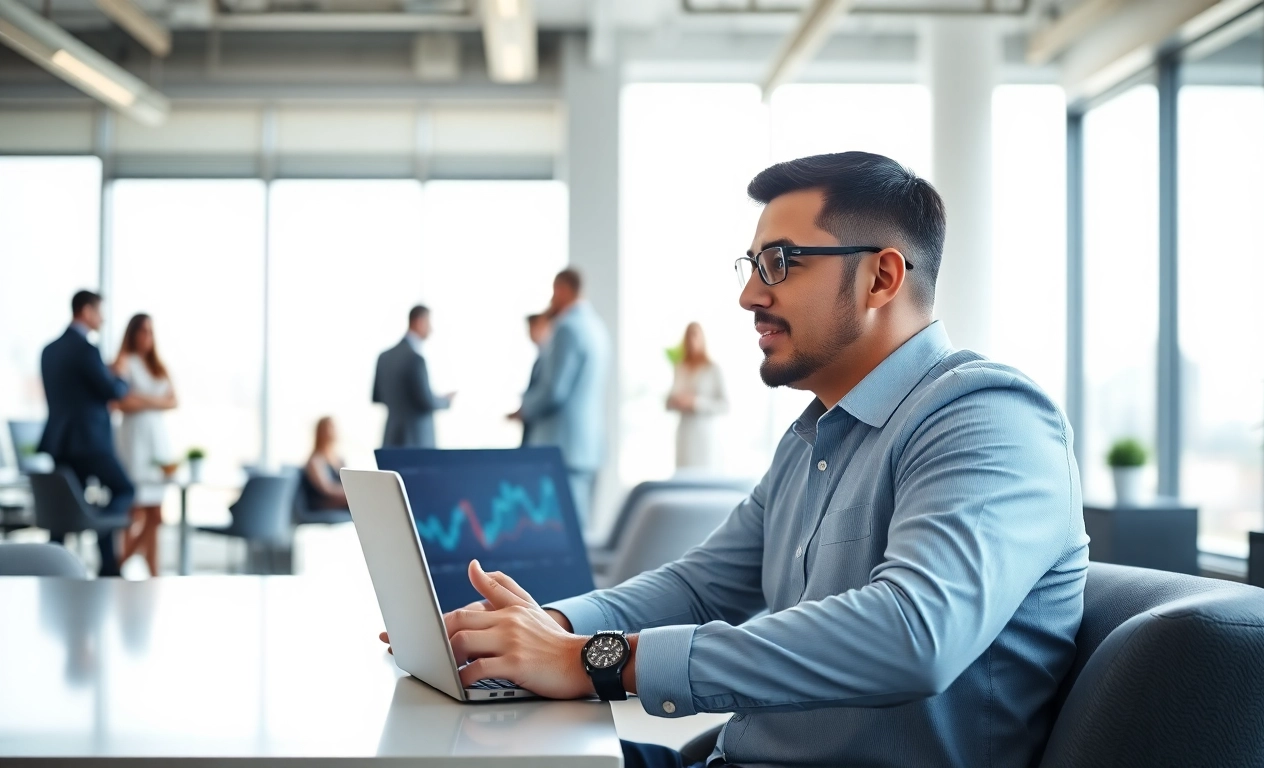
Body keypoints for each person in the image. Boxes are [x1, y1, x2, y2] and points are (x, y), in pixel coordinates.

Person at [381, 152, 1088, 768]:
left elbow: (913, 633)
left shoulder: (988, 417)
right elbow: (699, 587)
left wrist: (599, 661)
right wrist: (539, 632)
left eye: (780, 263)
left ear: (881, 279)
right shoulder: (814, 439)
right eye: (753, 265)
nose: (750, 294)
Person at [38, 290, 135, 577]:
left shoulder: (49, 350)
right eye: (99, 311)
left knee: (63, 509)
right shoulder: (86, 350)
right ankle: (106, 563)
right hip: (90, 442)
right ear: (85, 310)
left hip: (60, 441)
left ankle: (52, 570)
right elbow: (111, 391)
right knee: (123, 489)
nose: (102, 318)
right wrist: (120, 375)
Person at [518, 269, 610, 526]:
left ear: (563, 289)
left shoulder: (567, 327)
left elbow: (554, 391)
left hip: (562, 447)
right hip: (587, 446)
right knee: (580, 530)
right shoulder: (597, 327)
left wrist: (524, 409)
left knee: (559, 535)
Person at [112, 313, 177, 578]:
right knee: (134, 511)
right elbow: (119, 401)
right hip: (134, 443)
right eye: (143, 331)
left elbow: (174, 401)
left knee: (156, 515)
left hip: (157, 443)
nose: (147, 337)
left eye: (151, 332)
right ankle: (119, 569)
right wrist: (154, 401)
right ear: (133, 333)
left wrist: (141, 398)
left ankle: (151, 573)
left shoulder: (158, 366)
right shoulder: (124, 362)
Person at [372, 305, 454, 449]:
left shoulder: (384, 357)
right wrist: (445, 401)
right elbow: (426, 401)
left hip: (391, 437)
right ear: (420, 322)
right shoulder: (415, 359)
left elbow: (377, 396)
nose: (431, 329)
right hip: (416, 440)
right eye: (429, 323)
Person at [665, 322, 728, 471]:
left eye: (695, 335)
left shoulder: (713, 369)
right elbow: (668, 401)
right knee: (684, 478)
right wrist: (675, 401)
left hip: (704, 435)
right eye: (688, 336)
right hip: (684, 434)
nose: (691, 340)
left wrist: (695, 403)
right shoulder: (680, 367)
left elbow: (724, 405)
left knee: (704, 478)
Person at [509, 313, 551, 447]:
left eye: (534, 327)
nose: (531, 333)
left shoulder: (549, 358)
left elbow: (551, 393)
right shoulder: (540, 358)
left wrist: (525, 409)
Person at [304, 417, 347, 511]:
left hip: (340, 500)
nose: (335, 430)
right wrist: (349, 493)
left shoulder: (339, 459)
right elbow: (327, 489)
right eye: (331, 427)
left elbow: (348, 482)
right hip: (323, 504)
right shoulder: (315, 460)